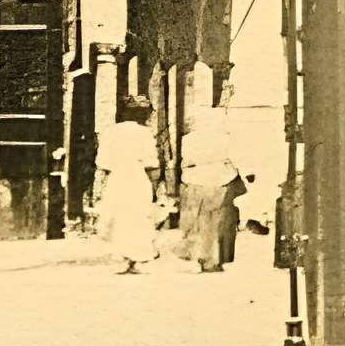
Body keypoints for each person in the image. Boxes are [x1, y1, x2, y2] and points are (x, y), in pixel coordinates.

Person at [178, 96, 248, 273]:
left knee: (200, 222)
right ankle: (216, 259)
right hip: (221, 180)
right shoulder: (225, 138)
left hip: (196, 181)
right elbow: (233, 159)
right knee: (219, 223)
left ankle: (202, 257)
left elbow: (186, 162)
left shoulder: (189, 139)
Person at [93, 93, 162, 272]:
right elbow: (151, 162)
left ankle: (123, 258)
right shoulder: (144, 133)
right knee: (138, 217)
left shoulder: (110, 132)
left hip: (117, 178)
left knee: (119, 217)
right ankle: (137, 258)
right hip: (138, 178)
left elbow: (102, 162)